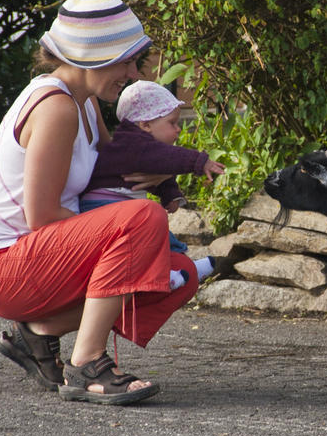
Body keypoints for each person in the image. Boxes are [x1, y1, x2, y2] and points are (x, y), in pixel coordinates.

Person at [0, 0, 198, 406]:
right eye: (125, 62)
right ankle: (87, 364)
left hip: (45, 258)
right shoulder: (56, 107)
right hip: (6, 267)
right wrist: (133, 221)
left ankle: (38, 336)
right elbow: (40, 216)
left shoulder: (86, 103)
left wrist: (160, 175)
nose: (131, 74)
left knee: (178, 271)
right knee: (142, 221)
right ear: (92, 57)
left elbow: (111, 173)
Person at [79, 79, 224, 287]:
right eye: (172, 123)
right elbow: (167, 158)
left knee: (159, 233)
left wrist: (170, 195)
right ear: (145, 124)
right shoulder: (132, 143)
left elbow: (162, 168)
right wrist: (199, 162)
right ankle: (162, 276)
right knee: (143, 240)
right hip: (101, 208)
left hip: (115, 207)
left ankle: (179, 266)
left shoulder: (144, 148)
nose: (178, 130)